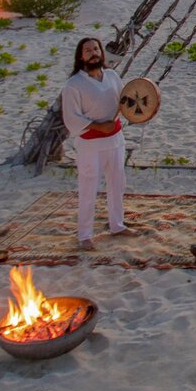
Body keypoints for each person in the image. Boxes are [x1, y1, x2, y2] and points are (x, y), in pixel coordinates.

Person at [60, 37, 136, 250]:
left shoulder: (112, 76)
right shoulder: (73, 85)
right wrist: (97, 126)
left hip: (115, 140)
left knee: (117, 183)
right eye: (87, 50)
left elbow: (124, 101)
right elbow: (72, 118)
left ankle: (117, 225)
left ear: (101, 53)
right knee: (88, 187)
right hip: (90, 145)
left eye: (96, 49)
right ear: (80, 56)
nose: (93, 53)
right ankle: (85, 235)